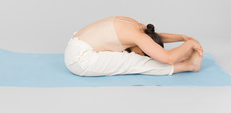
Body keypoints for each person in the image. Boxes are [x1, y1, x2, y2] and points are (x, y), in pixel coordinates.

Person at [64, 16, 203, 76]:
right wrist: (190, 44)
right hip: (79, 60)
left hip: (76, 45)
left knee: (130, 57)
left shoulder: (137, 26)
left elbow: (156, 35)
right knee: (134, 62)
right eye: (142, 52)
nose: (137, 53)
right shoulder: (138, 37)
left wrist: (183, 38)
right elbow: (168, 59)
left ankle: (186, 60)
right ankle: (189, 65)